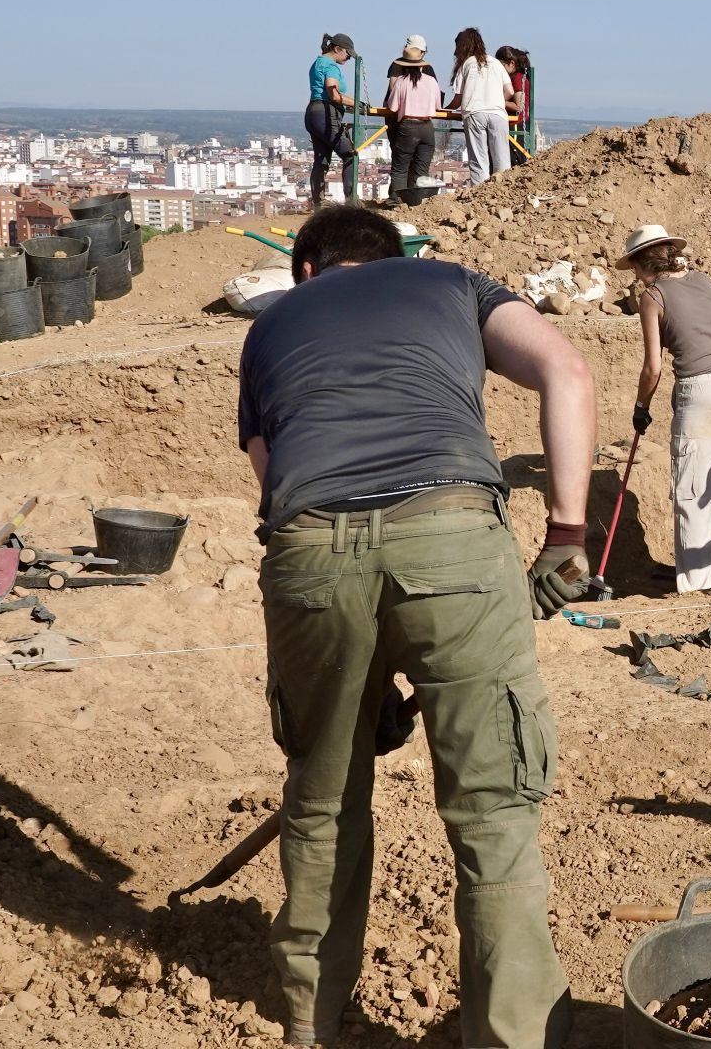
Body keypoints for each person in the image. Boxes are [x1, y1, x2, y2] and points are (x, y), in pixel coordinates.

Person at [237, 205, 596, 1049]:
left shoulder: (271, 326)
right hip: (455, 538)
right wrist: (569, 535)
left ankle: (310, 1026)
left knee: (322, 805)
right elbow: (568, 374)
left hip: (310, 551)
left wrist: (368, 678)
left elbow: (273, 475)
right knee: (493, 816)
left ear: (307, 271)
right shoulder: (452, 283)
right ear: (392, 257)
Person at [619, 225, 711, 593]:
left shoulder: (653, 297)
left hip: (702, 390)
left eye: (633, 267)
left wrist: (641, 405)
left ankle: (695, 586)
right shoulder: (704, 280)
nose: (634, 275)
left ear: (643, 264)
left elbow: (653, 367)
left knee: (693, 488)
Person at [448, 27, 514, 184]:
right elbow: (510, 91)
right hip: (498, 114)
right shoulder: (496, 63)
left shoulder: (466, 64)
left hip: (474, 113)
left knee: (479, 161)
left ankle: (479, 195)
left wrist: (443, 109)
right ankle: (503, 193)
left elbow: (458, 98)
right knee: (502, 160)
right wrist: (497, 100)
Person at [384, 34, 440, 205]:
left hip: (407, 126)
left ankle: (396, 201)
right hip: (427, 128)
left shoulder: (401, 82)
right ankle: (417, 202)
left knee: (400, 167)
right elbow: (437, 106)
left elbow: (392, 107)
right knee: (421, 168)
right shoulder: (431, 81)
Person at [305, 33, 359, 209]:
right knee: (350, 155)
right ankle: (352, 203)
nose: (349, 57)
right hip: (326, 114)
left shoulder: (318, 62)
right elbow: (334, 94)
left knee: (321, 160)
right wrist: (359, 104)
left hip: (314, 113)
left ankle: (318, 203)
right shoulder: (330, 66)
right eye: (347, 53)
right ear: (337, 49)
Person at [496, 46, 532, 166]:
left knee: (514, 160)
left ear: (511, 63)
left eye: (501, 65)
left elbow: (518, 106)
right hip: (512, 124)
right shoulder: (514, 78)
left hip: (515, 125)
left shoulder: (517, 78)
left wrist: (495, 101)